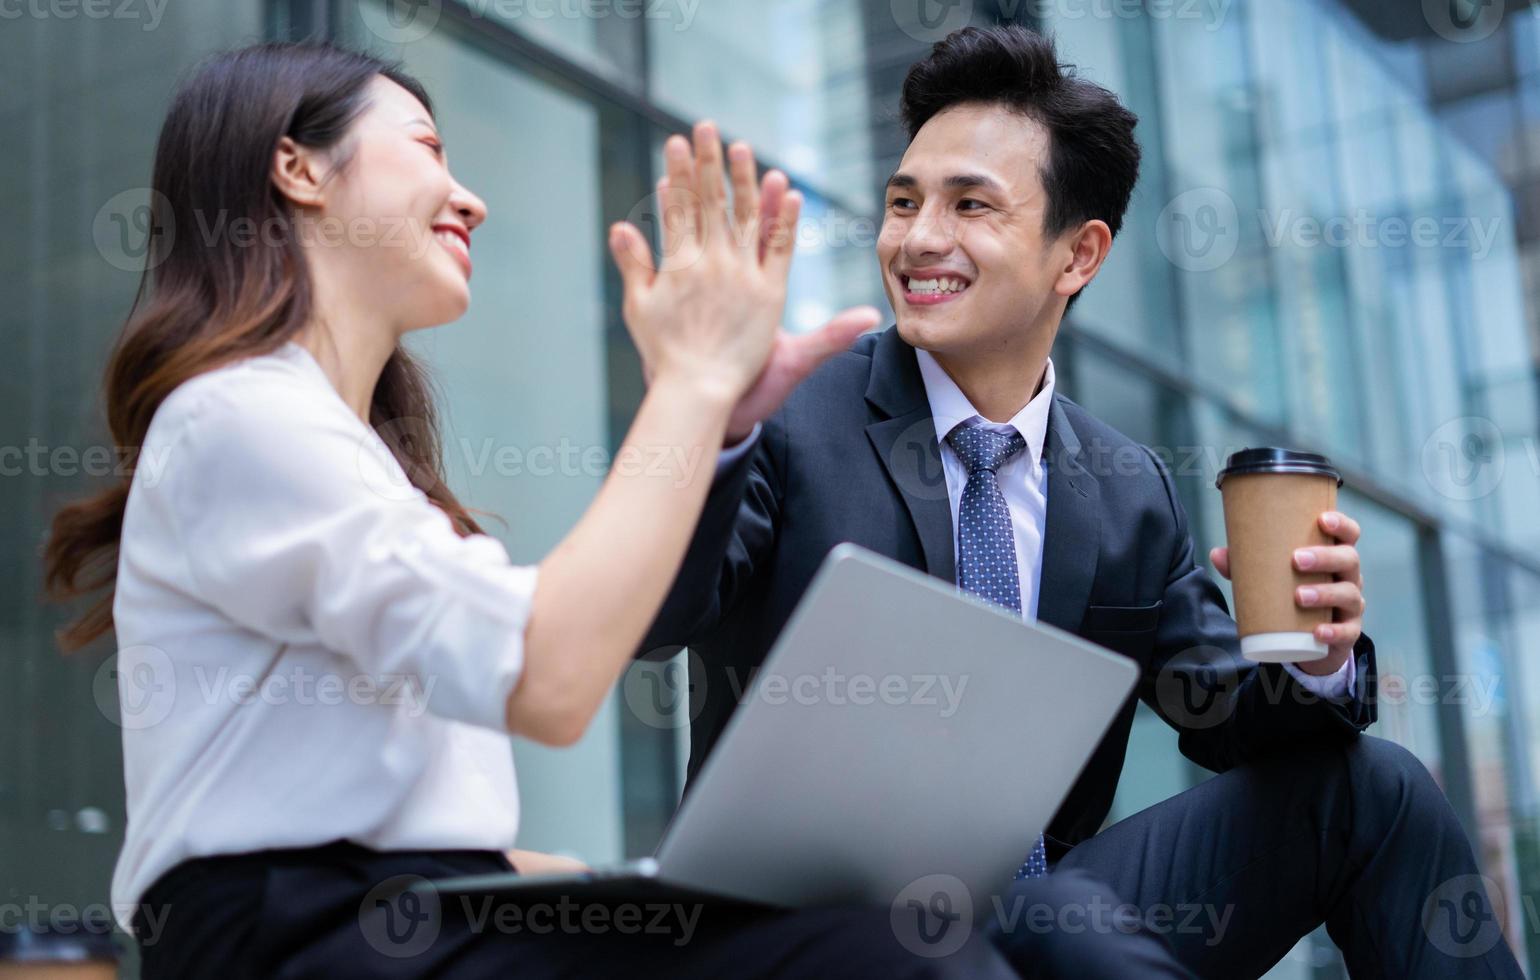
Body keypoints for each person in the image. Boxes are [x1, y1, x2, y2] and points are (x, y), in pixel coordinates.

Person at [42, 40, 1060, 978]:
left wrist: (623, 888)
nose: (469, 198)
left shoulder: (337, 455)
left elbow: (434, 811)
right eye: (429, 148)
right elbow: (552, 676)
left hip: (403, 918)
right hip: (298, 939)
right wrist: (690, 388)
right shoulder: (238, 415)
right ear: (299, 169)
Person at [640, 24, 1524, 978]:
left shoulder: (1125, 488)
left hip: (1036, 916)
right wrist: (705, 422)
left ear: (1079, 255)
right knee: (1065, 926)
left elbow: (1226, 716)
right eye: (904, 202)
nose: (918, 237)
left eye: (970, 204)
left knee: (1374, 789)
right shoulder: (790, 416)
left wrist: (1313, 658)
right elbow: (654, 615)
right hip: (801, 927)